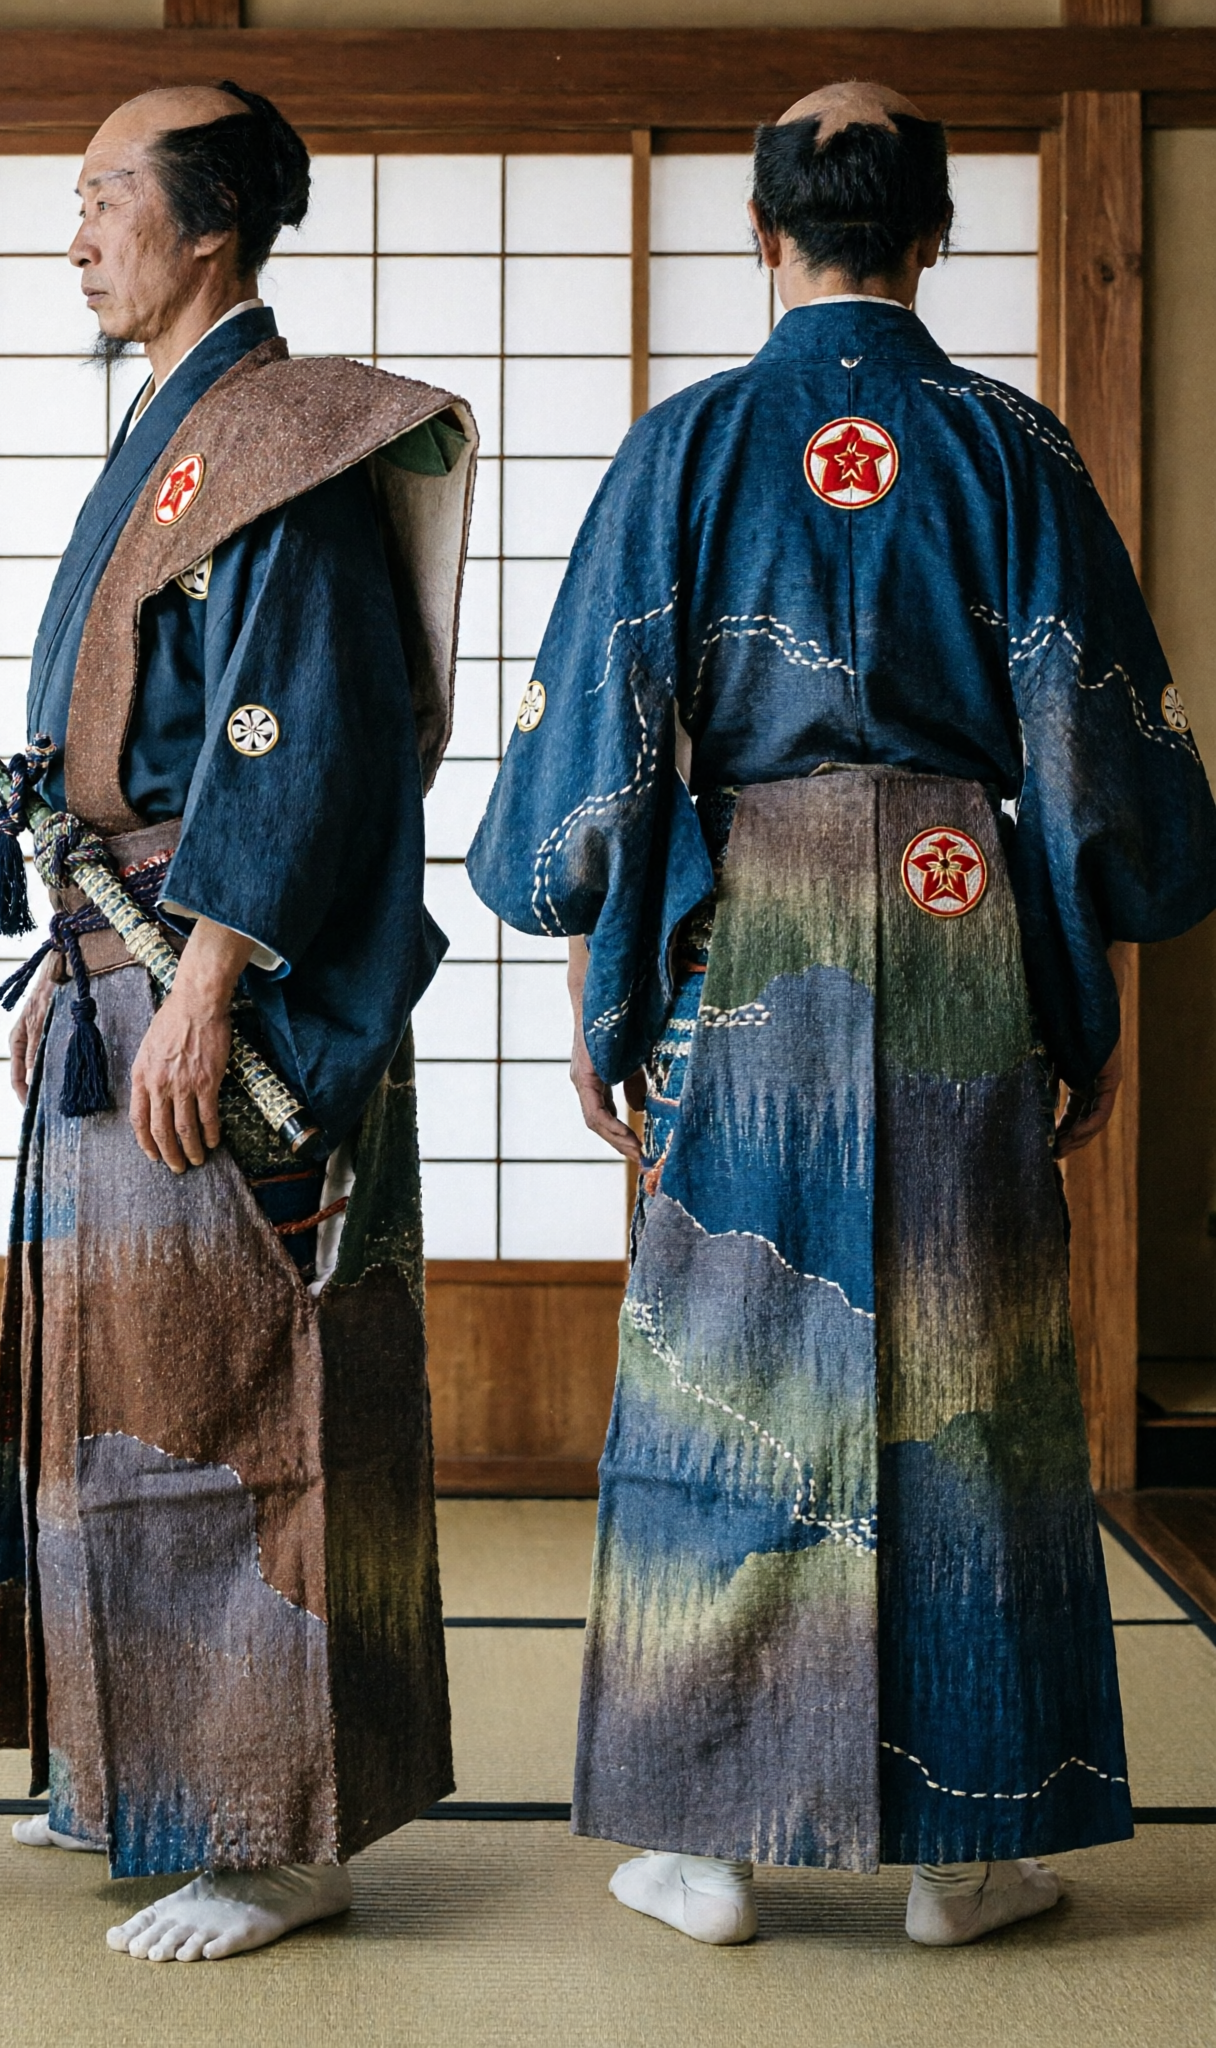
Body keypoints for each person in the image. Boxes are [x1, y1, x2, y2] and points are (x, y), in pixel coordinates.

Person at [468, 80, 1216, 1948]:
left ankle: (709, 1844)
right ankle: (967, 1853)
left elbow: (603, 752)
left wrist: (604, 978)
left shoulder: (690, 445)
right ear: (937, 234)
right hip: (960, 910)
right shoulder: (1011, 441)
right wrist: (1084, 998)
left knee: (737, 1358)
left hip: (756, 924)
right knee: (965, 1363)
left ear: (760, 231)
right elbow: (1093, 755)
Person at [0, 82, 475, 1962]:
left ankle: (278, 1830)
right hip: (124, 960)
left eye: (106, 196)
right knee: (119, 1404)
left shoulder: (280, 438)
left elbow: (303, 734)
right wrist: (73, 969)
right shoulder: (173, 436)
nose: (76, 229)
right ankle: (134, 1767)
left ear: (208, 233)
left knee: (245, 1392)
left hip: (223, 980)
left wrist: (201, 978)